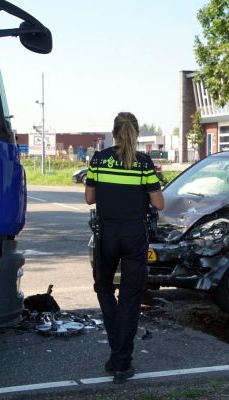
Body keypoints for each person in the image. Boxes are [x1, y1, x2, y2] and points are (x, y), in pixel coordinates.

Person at [85, 112, 164, 384]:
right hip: (134, 234)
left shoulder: (99, 158)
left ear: (114, 132)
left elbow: (89, 198)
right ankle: (121, 361)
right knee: (130, 296)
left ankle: (117, 352)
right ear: (137, 133)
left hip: (107, 233)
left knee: (104, 287)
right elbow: (159, 203)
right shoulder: (143, 163)